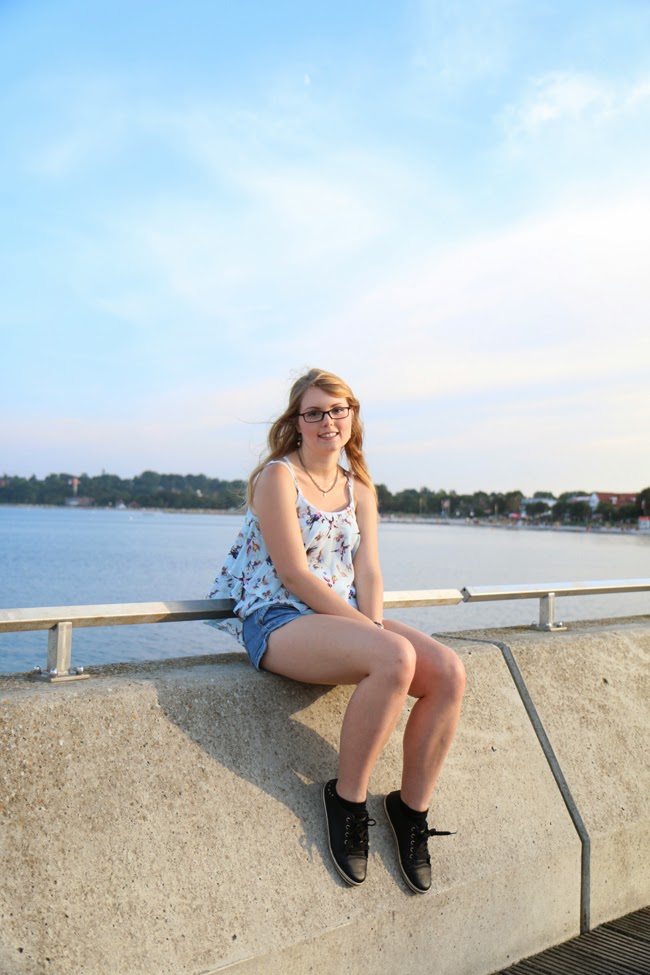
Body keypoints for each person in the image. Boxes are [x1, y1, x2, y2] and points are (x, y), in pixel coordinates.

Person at [208, 368, 465, 893]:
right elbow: (294, 575)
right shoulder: (278, 477)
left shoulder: (359, 488)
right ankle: (347, 802)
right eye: (315, 413)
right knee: (394, 656)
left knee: (448, 672)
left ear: (352, 415)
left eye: (338, 410)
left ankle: (410, 811)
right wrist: (374, 636)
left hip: (341, 616)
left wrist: (374, 627)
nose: (328, 421)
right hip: (278, 616)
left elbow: (368, 571)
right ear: (297, 422)